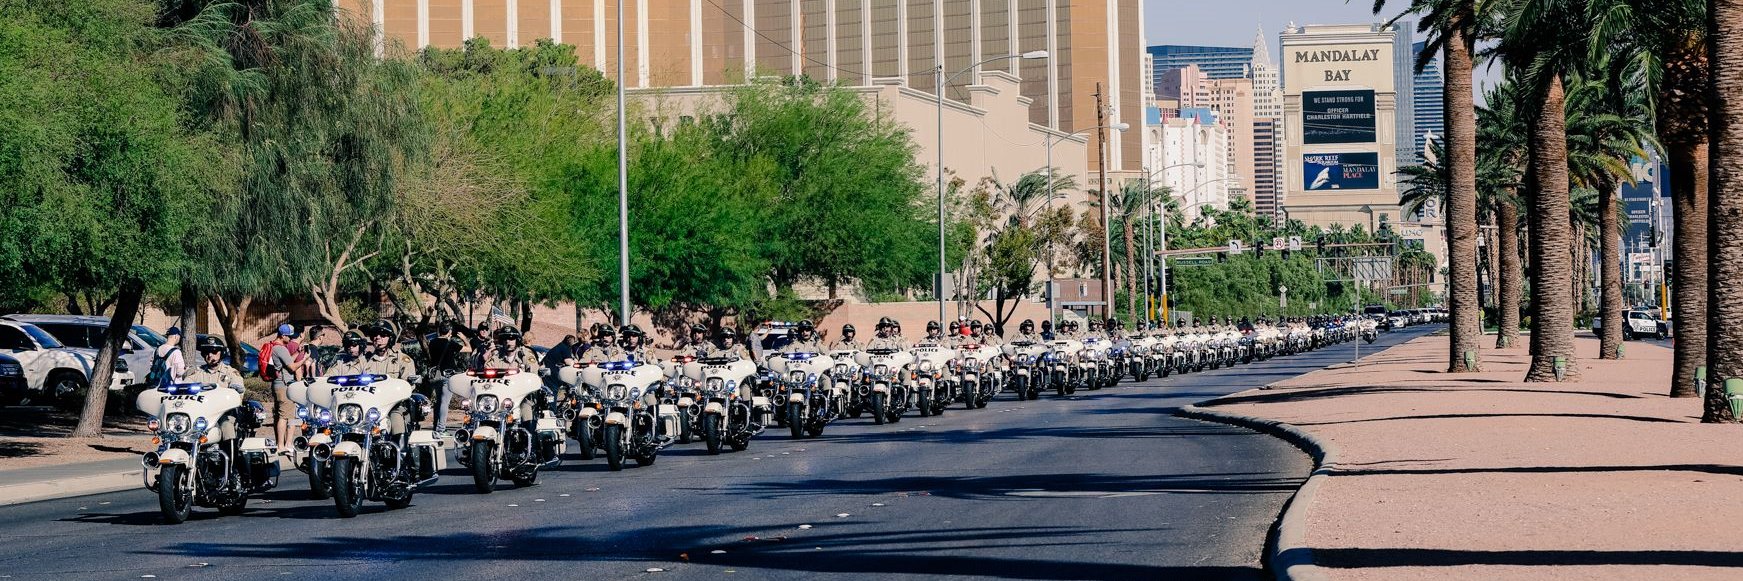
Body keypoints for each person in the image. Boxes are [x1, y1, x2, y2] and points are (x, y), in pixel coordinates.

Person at [183, 335, 250, 442]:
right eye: (206, 352)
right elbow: (185, 386)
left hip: (223, 415)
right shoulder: (197, 373)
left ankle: (232, 456)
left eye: (214, 352)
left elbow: (238, 390)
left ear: (222, 353)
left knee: (227, 428)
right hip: (200, 415)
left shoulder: (230, 372)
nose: (210, 355)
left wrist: (236, 390)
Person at [263, 324, 301, 455]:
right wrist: (305, 358)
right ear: (283, 335)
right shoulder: (280, 349)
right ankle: (282, 445)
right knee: (285, 417)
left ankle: (282, 444)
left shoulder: (275, 347)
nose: (291, 339)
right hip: (284, 386)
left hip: (277, 385)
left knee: (281, 415)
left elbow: (286, 362)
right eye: (289, 337)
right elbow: (292, 367)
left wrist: (298, 352)